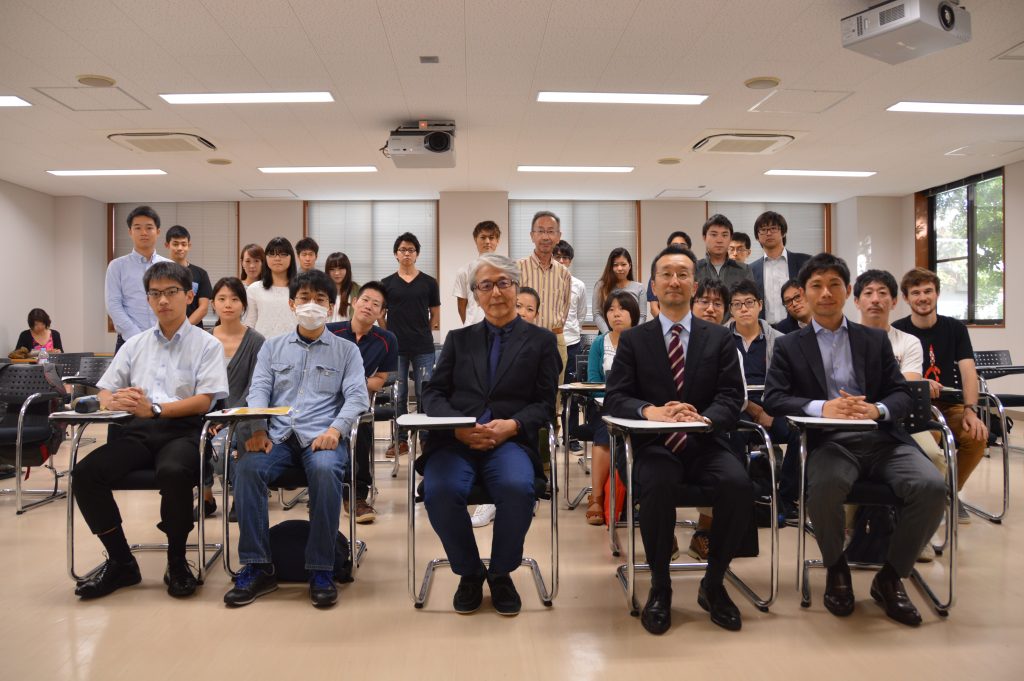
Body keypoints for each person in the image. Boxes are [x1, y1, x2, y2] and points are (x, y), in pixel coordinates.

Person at [763, 253, 946, 627]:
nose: (825, 293)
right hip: (830, 442)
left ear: (847, 291)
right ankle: (836, 568)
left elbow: (901, 393)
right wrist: (822, 407)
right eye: (816, 285)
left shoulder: (873, 340)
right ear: (804, 292)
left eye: (834, 285)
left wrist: (876, 409)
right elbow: (774, 399)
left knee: (931, 486)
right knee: (825, 488)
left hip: (883, 440)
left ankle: (890, 577)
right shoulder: (789, 346)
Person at [605, 245, 750, 635]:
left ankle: (713, 583)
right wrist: (651, 412)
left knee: (738, 484)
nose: (674, 281)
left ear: (694, 285)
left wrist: (703, 419)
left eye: (683, 274)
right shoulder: (634, 340)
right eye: (666, 274)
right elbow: (616, 396)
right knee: (656, 483)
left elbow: (731, 396)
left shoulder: (719, 338)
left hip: (705, 443)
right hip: (653, 446)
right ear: (653, 285)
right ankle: (661, 586)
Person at [71, 261, 229, 600]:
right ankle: (121, 561)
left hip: (184, 431)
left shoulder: (207, 344)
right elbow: (105, 390)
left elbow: (205, 400)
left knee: (173, 471)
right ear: (147, 300)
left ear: (189, 296)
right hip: (139, 432)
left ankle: (177, 561)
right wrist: (113, 400)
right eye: (155, 294)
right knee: (85, 473)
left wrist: (156, 409)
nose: (163, 300)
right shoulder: (135, 344)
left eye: (171, 292)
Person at [418, 254, 561, 616]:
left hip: (509, 441)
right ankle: (469, 572)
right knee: (439, 490)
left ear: (516, 286)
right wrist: (458, 426)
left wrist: (513, 425)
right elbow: (432, 394)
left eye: (502, 283)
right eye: (485, 285)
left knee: (517, 488)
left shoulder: (541, 341)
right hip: (456, 441)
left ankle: (500, 573)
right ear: (476, 295)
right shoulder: (458, 339)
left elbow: (545, 404)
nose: (495, 292)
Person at [225, 269, 370, 609]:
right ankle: (258, 566)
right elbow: (258, 389)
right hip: (277, 436)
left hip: (322, 436)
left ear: (331, 307)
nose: (312, 305)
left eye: (320, 299)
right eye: (304, 298)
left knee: (325, 470)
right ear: (292, 304)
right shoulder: (272, 347)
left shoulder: (347, 351)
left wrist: (336, 429)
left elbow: (357, 397)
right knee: (247, 469)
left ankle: (321, 568)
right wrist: (258, 428)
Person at [853, 269, 946, 561]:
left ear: (894, 301)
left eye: (883, 293)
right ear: (856, 301)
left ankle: (917, 534)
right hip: (854, 422)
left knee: (934, 457)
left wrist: (877, 400)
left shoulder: (908, 342)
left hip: (901, 424)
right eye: (868, 293)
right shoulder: (843, 339)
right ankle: (852, 528)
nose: (875, 299)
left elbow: (906, 387)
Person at [892, 267, 988, 522]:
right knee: (931, 440)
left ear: (937, 294)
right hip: (916, 407)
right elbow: (891, 375)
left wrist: (970, 410)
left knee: (976, 436)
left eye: (928, 291)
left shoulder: (955, 328)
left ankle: (948, 492)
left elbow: (968, 371)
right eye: (916, 293)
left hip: (951, 406)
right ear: (906, 298)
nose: (923, 297)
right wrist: (920, 382)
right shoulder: (898, 330)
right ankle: (928, 493)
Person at [725, 279, 802, 528]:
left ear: (760, 305)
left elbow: (789, 383)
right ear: (731, 309)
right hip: (737, 406)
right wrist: (752, 408)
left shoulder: (781, 340)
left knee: (800, 433)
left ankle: (786, 498)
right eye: (737, 304)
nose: (743, 309)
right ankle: (740, 498)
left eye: (749, 303)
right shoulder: (721, 339)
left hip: (773, 405)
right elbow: (723, 385)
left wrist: (770, 410)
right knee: (731, 433)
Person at [471, 284, 544, 530]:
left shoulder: (541, 346)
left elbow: (543, 403)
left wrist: (513, 424)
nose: (523, 312)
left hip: (518, 430)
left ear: (536, 315)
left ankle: (505, 498)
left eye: (530, 309)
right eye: (519, 305)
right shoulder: (482, 341)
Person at [326, 281, 398, 524]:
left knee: (361, 429)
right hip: (325, 401)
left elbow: (380, 380)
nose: (368, 306)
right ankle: (323, 488)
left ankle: (356, 495)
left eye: (375, 304)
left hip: (358, 401)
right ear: (355, 302)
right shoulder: (330, 331)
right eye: (365, 300)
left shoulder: (386, 339)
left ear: (381, 312)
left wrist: (351, 384)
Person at [195, 277, 266, 520]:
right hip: (207, 412)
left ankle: (240, 496)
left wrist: (227, 417)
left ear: (243, 305)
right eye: (222, 299)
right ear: (213, 304)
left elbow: (256, 386)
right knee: (194, 434)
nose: (228, 304)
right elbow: (197, 384)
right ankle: (206, 496)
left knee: (242, 434)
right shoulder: (202, 339)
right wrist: (212, 416)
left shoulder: (256, 341)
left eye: (235, 299)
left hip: (244, 412)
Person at [583, 291, 641, 525]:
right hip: (605, 407)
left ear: (634, 314)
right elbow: (593, 381)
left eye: (622, 309)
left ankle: (636, 499)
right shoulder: (600, 343)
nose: (616, 314)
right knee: (604, 435)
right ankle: (597, 497)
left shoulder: (644, 341)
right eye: (611, 309)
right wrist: (612, 399)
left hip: (638, 408)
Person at [381, 232, 441, 459]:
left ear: (417, 254)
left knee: (425, 393)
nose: (407, 253)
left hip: (423, 347)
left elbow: (435, 314)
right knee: (399, 394)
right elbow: (381, 314)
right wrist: (388, 334)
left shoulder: (429, 282)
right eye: (402, 250)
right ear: (396, 254)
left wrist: (424, 331)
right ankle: (400, 440)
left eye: (411, 250)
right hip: (396, 348)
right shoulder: (386, 283)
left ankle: (425, 438)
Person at [105, 205, 172, 352]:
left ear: (158, 231)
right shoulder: (117, 266)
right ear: (130, 232)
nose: (143, 232)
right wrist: (137, 337)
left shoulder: (170, 266)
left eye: (149, 227)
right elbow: (113, 304)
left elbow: (175, 303)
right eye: (137, 228)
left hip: (165, 339)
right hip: (129, 340)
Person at [517, 211, 571, 388]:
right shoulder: (517, 268)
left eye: (550, 231)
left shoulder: (564, 273)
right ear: (532, 235)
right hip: (523, 340)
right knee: (523, 391)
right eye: (540, 231)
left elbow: (565, 307)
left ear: (558, 236)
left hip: (555, 341)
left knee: (554, 393)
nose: (546, 236)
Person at [748, 212, 811, 325]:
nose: (768, 233)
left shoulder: (805, 262)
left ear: (783, 232)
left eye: (773, 228)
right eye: (763, 230)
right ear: (757, 237)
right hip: (765, 329)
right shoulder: (751, 269)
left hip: (799, 327)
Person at [245, 237, 298, 338]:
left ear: (291, 257)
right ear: (266, 258)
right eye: (272, 254)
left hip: (293, 344)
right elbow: (250, 324)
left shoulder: (300, 289)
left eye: (283, 254)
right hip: (263, 344)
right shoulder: (254, 289)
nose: (277, 258)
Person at [552, 240, 588, 384]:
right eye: (557, 257)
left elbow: (581, 313)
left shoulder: (579, 285)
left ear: (570, 261)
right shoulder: (545, 284)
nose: (561, 261)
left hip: (572, 342)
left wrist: (575, 329)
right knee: (549, 381)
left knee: (569, 383)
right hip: (550, 341)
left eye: (565, 257)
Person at [695, 215, 754, 301]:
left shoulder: (744, 270)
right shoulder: (694, 268)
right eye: (714, 235)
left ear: (730, 238)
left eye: (724, 235)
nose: (719, 240)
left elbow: (750, 301)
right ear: (704, 237)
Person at [453, 220, 501, 326]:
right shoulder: (464, 271)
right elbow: (461, 306)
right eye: (483, 237)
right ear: (475, 240)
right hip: (473, 327)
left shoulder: (506, 270)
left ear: (497, 240)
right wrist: (470, 327)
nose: (487, 241)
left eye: (491, 237)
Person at [164, 225, 213, 329]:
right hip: (166, 329)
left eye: (183, 244)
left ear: (189, 246)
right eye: (175, 244)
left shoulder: (201, 273)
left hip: (193, 330)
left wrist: (183, 328)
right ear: (167, 245)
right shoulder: (160, 273)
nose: (180, 248)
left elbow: (203, 308)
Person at [593, 247, 647, 333]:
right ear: (611, 267)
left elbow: (642, 316)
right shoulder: (601, 286)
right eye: (615, 265)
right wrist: (608, 334)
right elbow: (597, 314)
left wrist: (633, 334)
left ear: (629, 265)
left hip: (632, 335)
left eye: (623, 264)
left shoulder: (639, 288)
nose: (620, 268)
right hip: (606, 334)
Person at [648, 231, 692, 317]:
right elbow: (654, 308)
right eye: (674, 245)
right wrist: (668, 323)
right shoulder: (658, 273)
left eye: (682, 245)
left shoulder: (696, 272)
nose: (678, 248)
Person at [325, 251, 359, 323]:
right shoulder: (321, 290)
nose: (337, 273)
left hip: (349, 330)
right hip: (326, 329)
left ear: (347, 269)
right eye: (332, 269)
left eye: (340, 268)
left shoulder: (357, 290)